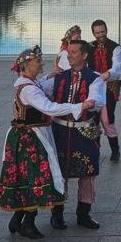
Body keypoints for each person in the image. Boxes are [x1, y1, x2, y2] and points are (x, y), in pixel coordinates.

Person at [0, 46, 96, 239]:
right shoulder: (30, 90)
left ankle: (17, 220)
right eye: (38, 61)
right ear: (26, 66)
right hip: (30, 139)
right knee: (36, 177)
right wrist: (78, 106)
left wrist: (51, 76)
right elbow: (48, 107)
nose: (41, 63)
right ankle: (27, 223)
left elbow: (41, 86)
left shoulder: (28, 83)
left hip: (30, 136)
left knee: (26, 178)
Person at [40, 39, 106, 230]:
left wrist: (91, 101)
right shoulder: (60, 76)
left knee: (88, 173)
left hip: (84, 131)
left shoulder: (94, 78)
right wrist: (45, 77)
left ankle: (83, 214)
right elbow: (38, 90)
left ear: (84, 55)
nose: (69, 56)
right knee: (59, 171)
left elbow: (98, 99)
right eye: (68, 52)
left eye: (74, 52)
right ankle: (57, 214)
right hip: (60, 130)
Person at [90, 19, 121, 162]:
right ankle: (95, 150)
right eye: (97, 32)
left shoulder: (115, 47)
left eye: (102, 31)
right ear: (93, 33)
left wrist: (108, 73)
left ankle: (115, 150)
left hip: (110, 86)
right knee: (93, 118)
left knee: (107, 118)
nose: (100, 35)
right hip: (93, 87)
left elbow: (118, 66)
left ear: (106, 30)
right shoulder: (88, 47)